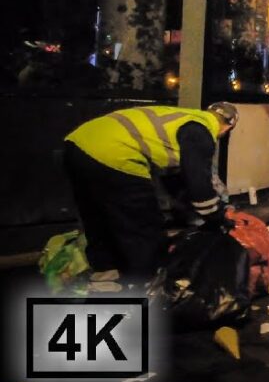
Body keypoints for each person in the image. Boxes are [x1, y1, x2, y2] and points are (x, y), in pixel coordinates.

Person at [62, 101, 240, 284]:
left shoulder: (180, 118)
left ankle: (104, 277)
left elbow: (177, 181)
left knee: (98, 218)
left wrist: (187, 206)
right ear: (227, 128)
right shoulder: (201, 132)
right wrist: (217, 217)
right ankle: (144, 285)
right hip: (116, 154)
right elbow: (198, 185)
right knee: (143, 227)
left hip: (77, 145)